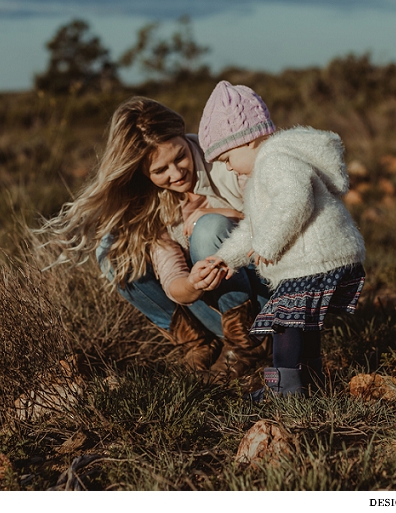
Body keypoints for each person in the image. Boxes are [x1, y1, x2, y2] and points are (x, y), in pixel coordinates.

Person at [37, 96, 270, 375]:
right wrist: (193, 284)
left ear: (184, 136)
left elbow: (282, 219)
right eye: (160, 170)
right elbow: (174, 283)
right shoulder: (154, 204)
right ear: (142, 173)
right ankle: (199, 343)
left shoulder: (225, 158)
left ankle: (249, 346)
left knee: (208, 227)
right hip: (216, 312)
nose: (176, 173)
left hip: (267, 300)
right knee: (112, 251)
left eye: (180, 156)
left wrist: (224, 213)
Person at [199, 81, 366, 397]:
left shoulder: (274, 158)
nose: (229, 169)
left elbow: (295, 198)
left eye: (226, 158)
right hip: (321, 258)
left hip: (315, 259)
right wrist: (226, 259)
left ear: (248, 141)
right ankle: (311, 383)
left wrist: (267, 244)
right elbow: (253, 227)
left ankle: (285, 391)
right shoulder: (265, 167)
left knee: (283, 322)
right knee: (304, 325)